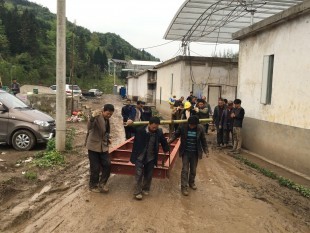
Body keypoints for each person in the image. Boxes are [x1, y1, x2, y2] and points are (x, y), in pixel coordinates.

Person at [130, 117, 170, 200]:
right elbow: (131, 129)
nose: (154, 129)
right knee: (139, 174)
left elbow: (163, 141)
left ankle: (145, 189)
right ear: (149, 124)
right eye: (153, 127)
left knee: (149, 175)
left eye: (156, 127)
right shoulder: (140, 130)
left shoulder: (158, 132)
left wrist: (166, 149)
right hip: (140, 156)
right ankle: (137, 192)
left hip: (151, 157)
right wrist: (129, 123)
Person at [168, 116, 208, 196]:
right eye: (190, 125)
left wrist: (206, 151)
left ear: (196, 124)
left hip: (195, 153)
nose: (192, 126)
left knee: (193, 170)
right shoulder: (183, 127)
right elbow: (176, 134)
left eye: (193, 125)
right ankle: (184, 187)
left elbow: (203, 140)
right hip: (185, 152)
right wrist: (170, 140)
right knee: (185, 170)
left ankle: (191, 183)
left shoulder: (200, 128)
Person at [85, 104, 115, 193]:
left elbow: (105, 132)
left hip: (103, 146)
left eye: (111, 114)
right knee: (95, 167)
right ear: (103, 111)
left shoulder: (107, 120)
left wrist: (108, 137)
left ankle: (102, 184)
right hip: (93, 146)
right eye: (108, 114)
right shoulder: (97, 117)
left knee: (107, 164)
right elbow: (89, 127)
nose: (109, 116)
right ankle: (93, 185)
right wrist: (92, 117)